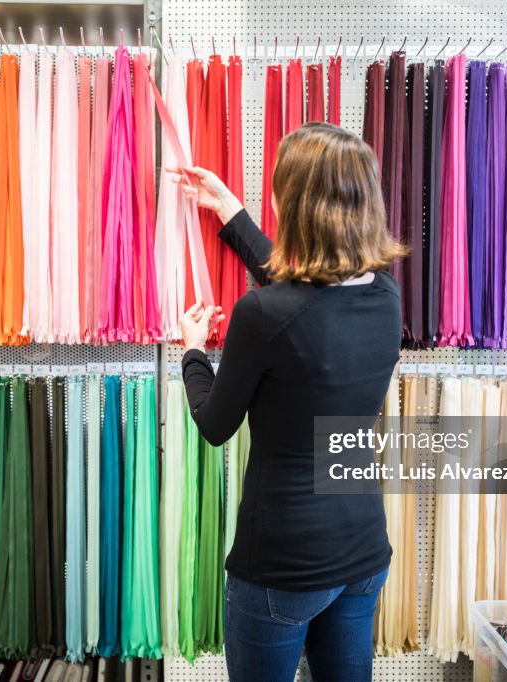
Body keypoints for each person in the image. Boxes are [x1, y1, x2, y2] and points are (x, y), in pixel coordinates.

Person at [170, 122, 406, 682]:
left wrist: (194, 353)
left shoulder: (262, 315)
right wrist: (231, 213)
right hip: (362, 554)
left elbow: (213, 423)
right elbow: (307, 302)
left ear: (293, 203)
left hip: (281, 566)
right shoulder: (386, 296)